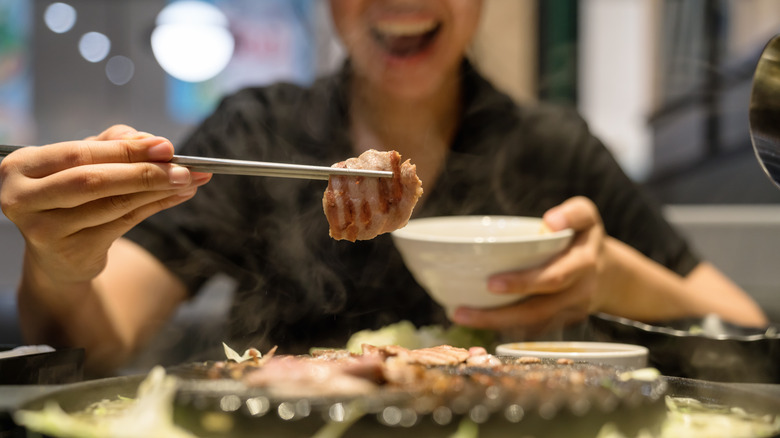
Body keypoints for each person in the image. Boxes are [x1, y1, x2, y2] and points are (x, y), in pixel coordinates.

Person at [0, 0, 768, 374]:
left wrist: (611, 280)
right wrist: (63, 255)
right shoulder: (256, 131)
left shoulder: (551, 148)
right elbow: (95, 340)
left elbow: (743, 330)